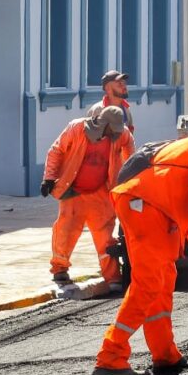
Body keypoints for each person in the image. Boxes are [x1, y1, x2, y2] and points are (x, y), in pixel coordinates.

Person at [93, 133, 188, 375]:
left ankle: (165, 355)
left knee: (163, 278)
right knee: (149, 282)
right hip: (144, 203)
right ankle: (111, 356)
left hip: (146, 203)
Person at [42, 106, 135, 290]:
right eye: (112, 129)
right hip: (73, 190)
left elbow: (130, 150)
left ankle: (113, 277)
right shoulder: (76, 128)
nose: (115, 133)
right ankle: (59, 270)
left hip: (100, 191)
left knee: (105, 237)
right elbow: (56, 151)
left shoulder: (120, 134)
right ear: (104, 124)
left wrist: (130, 178)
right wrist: (49, 178)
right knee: (65, 230)